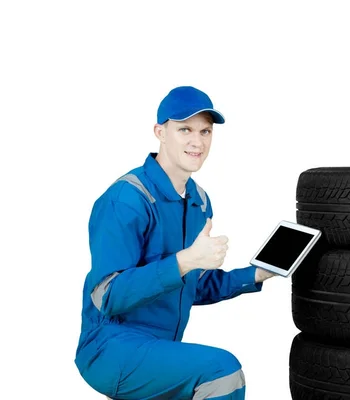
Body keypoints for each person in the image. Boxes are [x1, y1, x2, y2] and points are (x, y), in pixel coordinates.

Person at [74, 86, 276, 399]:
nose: (198, 142)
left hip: (159, 349)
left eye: (205, 131)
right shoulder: (127, 198)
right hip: (109, 347)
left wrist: (256, 274)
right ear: (160, 132)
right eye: (185, 129)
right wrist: (185, 261)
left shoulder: (200, 202)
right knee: (222, 372)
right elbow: (106, 295)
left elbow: (193, 285)